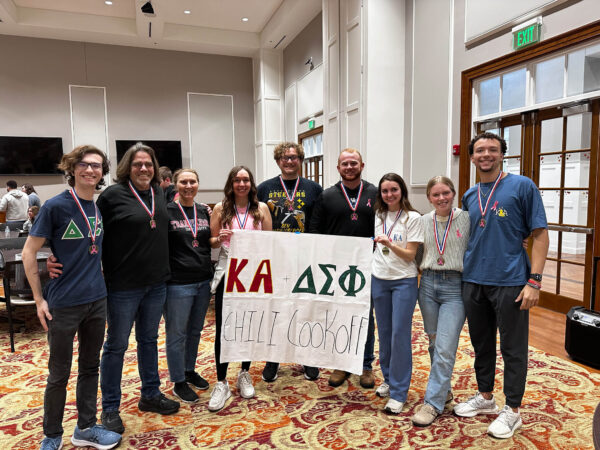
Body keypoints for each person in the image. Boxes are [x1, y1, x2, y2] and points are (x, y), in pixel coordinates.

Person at [22, 145, 121, 450]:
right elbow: (29, 251)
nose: (91, 170)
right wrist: (39, 300)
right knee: (59, 373)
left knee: (91, 368)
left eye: (97, 166)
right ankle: (52, 435)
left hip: (96, 299)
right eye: (85, 165)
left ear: (102, 172)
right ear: (72, 168)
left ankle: (86, 428)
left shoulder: (99, 206)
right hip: (63, 303)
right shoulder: (56, 206)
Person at [453, 132, 549, 439]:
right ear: (471, 157)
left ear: (502, 154)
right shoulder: (469, 195)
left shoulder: (522, 186)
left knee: (513, 347)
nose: (486, 154)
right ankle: (485, 396)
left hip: (510, 281)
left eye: (492, 149)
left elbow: (540, 234)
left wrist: (534, 281)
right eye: (480, 150)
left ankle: (513, 410)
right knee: (481, 344)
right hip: (474, 280)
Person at [97, 143, 179, 432]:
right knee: (116, 346)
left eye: (148, 164)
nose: (143, 168)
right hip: (122, 286)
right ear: (127, 168)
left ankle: (151, 394)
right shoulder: (111, 197)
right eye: (137, 164)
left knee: (148, 341)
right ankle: (109, 408)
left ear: (154, 167)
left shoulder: (159, 193)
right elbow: (92, 235)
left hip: (156, 284)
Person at [309, 148, 378, 389]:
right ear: (338, 168)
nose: (349, 167)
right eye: (344, 164)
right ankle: (342, 363)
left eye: (353, 163)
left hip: (366, 266)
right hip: (336, 267)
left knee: (364, 316)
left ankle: (366, 365)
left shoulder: (375, 193)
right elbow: (315, 231)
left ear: (362, 165)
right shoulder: (327, 196)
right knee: (339, 315)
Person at [257, 142, 323, 383]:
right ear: (278, 161)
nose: (289, 161)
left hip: (305, 259)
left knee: (305, 308)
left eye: (294, 157)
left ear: (300, 160)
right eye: (284, 158)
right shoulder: (264, 189)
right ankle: (272, 358)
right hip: (275, 259)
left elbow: (319, 223)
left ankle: (307, 357)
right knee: (275, 309)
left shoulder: (314, 189)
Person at [207, 165, 272, 412]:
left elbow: (270, 241)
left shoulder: (262, 208)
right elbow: (211, 241)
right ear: (231, 183)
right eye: (237, 180)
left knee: (249, 324)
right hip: (228, 270)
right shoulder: (220, 208)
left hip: (254, 273)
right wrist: (219, 236)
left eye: (245, 180)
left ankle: (244, 372)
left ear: (251, 183)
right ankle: (221, 381)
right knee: (224, 326)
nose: (242, 184)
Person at [411, 176, 470, 426]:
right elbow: (416, 253)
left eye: (446, 192)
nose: (441, 198)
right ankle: (444, 391)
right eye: (435, 195)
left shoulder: (467, 219)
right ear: (429, 198)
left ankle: (432, 403)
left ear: (453, 193)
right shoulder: (423, 221)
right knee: (435, 342)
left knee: (446, 345)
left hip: (455, 287)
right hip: (428, 285)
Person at [370, 173, 422, 414]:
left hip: (403, 282)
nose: (389, 194)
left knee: (400, 335)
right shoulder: (379, 215)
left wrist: (389, 244)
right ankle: (389, 379)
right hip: (379, 279)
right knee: (385, 333)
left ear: (402, 191)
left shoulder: (412, 218)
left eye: (394, 190)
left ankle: (400, 392)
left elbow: (411, 255)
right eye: (385, 191)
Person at [164, 168, 213, 404]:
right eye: (183, 182)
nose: (188, 185)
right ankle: (178, 381)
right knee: (177, 334)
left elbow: (208, 241)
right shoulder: (166, 211)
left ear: (198, 184)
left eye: (192, 181)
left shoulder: (204, 211)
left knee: (195, 331)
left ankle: (189, 370)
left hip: (203, 280)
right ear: (175, 185)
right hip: (178, 283)